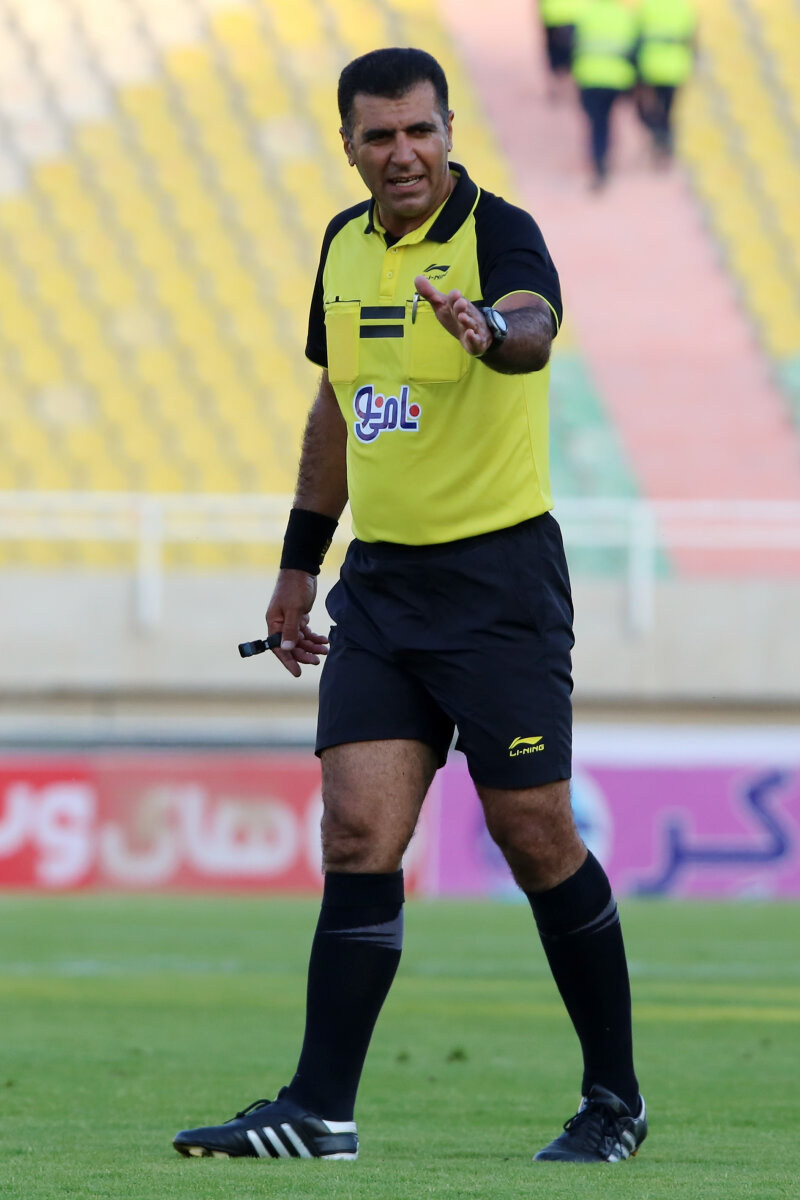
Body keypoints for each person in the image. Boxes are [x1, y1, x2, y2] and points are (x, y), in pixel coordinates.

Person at [172, 46, 646, 1166]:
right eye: (379, 135)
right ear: (348, 143)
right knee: (356, 831)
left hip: (497, 585)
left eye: (420, 131)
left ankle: (613, 1101)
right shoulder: (341, 245)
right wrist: (298, 564)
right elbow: (336, 405)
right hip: (382, 588)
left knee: (532, 833)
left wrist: (489, 329)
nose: (403, 153)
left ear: (447, 131)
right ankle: (319, 1111)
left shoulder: (501, 231)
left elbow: (531, 325)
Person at [571, 0, 638, 188]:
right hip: (617, 77)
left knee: (597, 121)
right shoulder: (625, 15)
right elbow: (635, 50)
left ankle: (598, 158)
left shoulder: (585, 13)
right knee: (606, 119)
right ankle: (604, 155)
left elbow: (573, 45)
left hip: (589, 77)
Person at [635, 0, 698, 161]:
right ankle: (665, 141)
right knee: (669, 109)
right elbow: (692, 40)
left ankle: (659, 137)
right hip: (675, 69)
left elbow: (637, 38)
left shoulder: (647, 7)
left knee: (653, 109)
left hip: (651, 68)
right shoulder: (683, 8)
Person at [538, 0, 584, 102]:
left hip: (554, 13)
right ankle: (569, 89)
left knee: (559, 56)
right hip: (578, 12)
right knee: (575, 54)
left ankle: (561, 88)